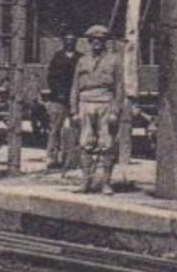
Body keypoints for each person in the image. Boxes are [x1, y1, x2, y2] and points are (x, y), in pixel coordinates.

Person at [71, 23, 126, 195]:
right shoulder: (82, 60)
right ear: (89, 41)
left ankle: (106, 183)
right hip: (85, 103)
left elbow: (119, 87)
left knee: (107, 144)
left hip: (105, 103)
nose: (96, 42)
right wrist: (73, 111)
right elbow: (75, 87)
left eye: (100, 40)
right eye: (93, 40)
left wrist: (115, 111)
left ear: (105, 42)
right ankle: (86, 182)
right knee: (85, 143)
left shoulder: (114, 60)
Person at [42, 31, 81, 172]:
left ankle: (73, 159)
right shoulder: (57, 57)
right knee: (54, 129)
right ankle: (53, 158)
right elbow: (51, 77)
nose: (69, 43)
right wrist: (58, 92)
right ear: (64, 42)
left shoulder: (80, 58)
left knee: (76, 128)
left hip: (75, 98)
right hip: (58, 98)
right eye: (67, 40)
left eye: (72, 40)